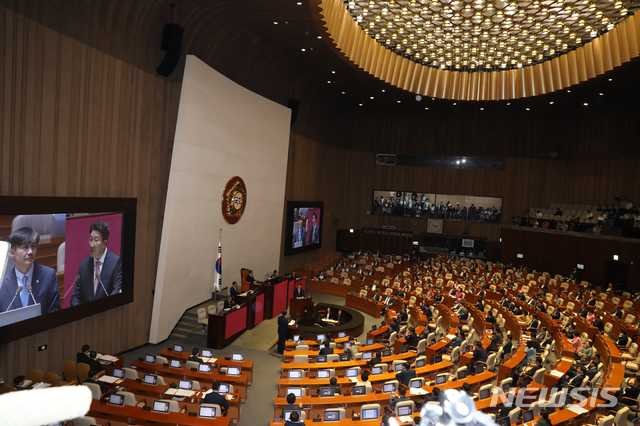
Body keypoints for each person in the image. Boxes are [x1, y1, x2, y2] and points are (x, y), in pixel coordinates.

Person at [0, 227, 61, 314]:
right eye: (25, 247)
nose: (31, 252)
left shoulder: (48, 275)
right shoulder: (2, 282)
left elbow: (55, 311)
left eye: (33, 246)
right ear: (12, 253)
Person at [70, 221, 122, 306]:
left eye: (96, 240)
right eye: (90, 240)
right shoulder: (84, 265)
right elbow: (76, 296)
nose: (92, 244)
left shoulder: (115, 262)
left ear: (104, 243)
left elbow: (116, 290)